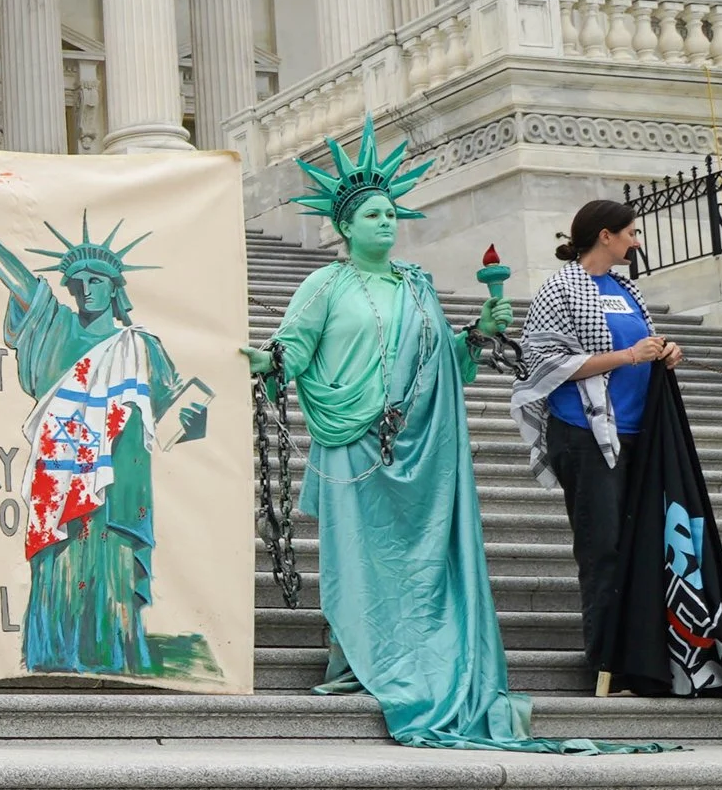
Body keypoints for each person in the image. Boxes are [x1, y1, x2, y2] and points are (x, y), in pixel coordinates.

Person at [248, 124, 659, 753]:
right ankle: (357, 660)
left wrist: (476, 333)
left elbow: (445, 360)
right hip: (351, 439)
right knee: (356, 556)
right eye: (371, 216)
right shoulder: (322, 286)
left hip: (422, 443)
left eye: (390, 214)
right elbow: (294, 351)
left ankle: (421, 651)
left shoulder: (417, 284)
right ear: (347, 227)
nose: (385, 223)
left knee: (419, 561)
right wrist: (268, 362)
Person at [0, 178, 215, 680]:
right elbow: (18, 280)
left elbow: (176, 414)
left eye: (97, 280)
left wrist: (197, 419)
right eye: (77, 280)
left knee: (112, 562)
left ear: (115, 288)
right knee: (59, 559)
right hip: (60, 469)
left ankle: (111, 653)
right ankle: (55, 653)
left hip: (121, 477)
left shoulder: (141, 346)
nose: (85, 288)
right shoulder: (56, 328)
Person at [513, 199, 682, 674]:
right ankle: (608, 661)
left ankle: (644, 655)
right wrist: (629, 355)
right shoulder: (560, 288)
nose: (637, 239)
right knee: (602, 546)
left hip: (637, 433)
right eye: (630, 231)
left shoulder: (627, 289)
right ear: (605, 236)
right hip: (586, 435)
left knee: (641, 545)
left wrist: (663, 352)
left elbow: (639, 345)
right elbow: (544, 363)